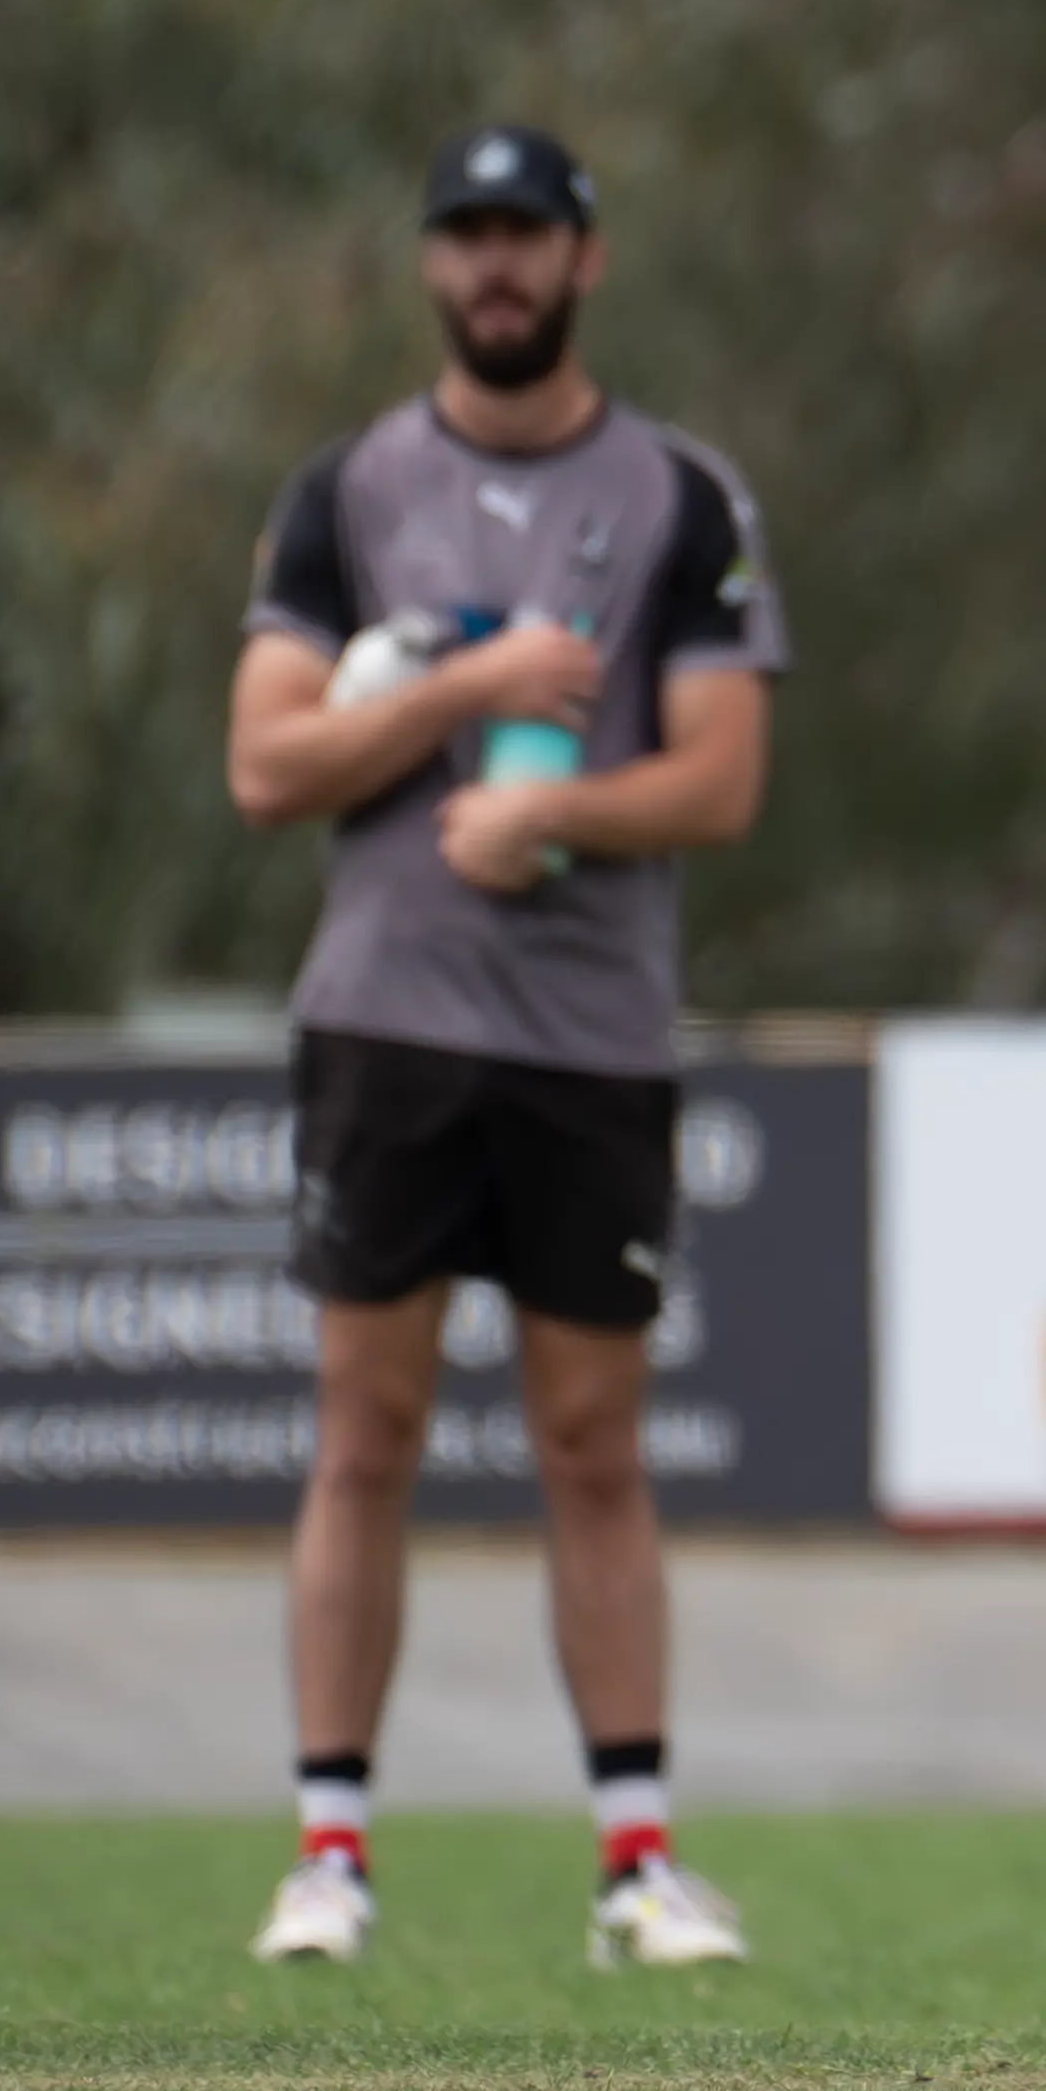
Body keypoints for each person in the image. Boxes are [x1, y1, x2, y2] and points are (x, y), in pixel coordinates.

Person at [224, 124, 784, 1969]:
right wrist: (460, 695)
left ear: (582, 260)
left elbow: (719, 779)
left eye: (525, 235)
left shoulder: (683, 496)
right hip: (385, 1024)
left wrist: (556, 820)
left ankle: (635, 1862)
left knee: (589, 1440)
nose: (497, 268)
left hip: (589, 1040)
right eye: (467, 237)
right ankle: (329, 1857)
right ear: (431, 267)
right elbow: (264, 764)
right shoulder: (346, 493)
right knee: (364, 1429)